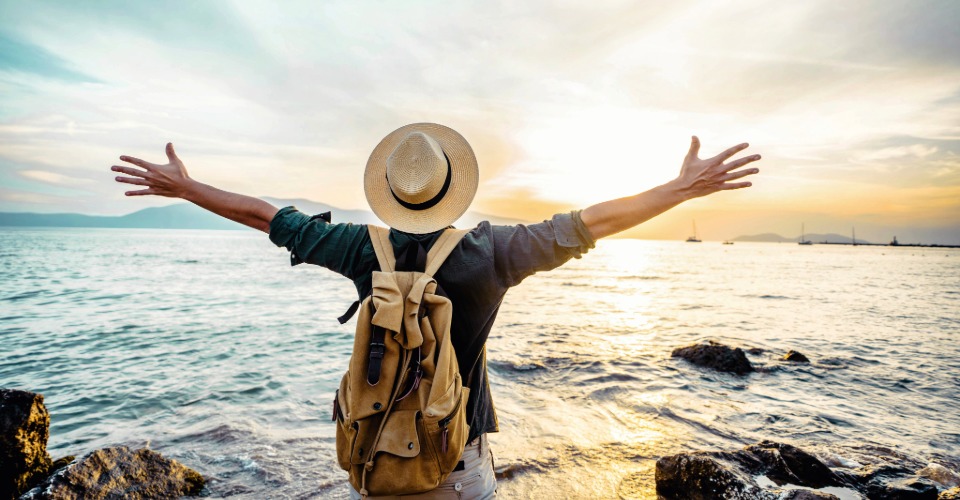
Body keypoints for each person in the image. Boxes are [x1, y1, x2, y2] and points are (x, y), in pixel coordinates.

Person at [111, 123, 760, 498]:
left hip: (376, 457)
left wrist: (185, 186)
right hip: (458, 460)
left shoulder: (359, 247)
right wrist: (682, 187)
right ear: (455, 189)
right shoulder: (495, 252)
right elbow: (593, 221)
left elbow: (264, 215)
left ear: (391, 194)